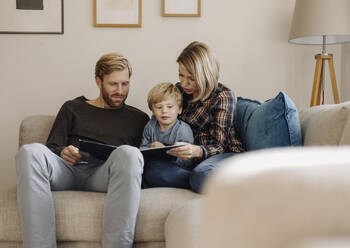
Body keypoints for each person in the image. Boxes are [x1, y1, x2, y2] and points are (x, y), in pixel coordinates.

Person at [15, 53, 150, 248]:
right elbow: (52, 146)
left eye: (125, 84)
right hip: (68, 170)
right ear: (98, 81)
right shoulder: (73, 108)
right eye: (113, 84)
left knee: (130, 153)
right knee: (29, 151)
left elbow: (137, 163)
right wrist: (63, 151)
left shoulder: (138, 119)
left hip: (104, 175)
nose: (120, 90)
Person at [157, 41, 244, 193]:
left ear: (205, 75)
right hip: (187, 158)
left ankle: (201, 179)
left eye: (191, 78)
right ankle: (195, 180)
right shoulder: (179, 91)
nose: (184, 82)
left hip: (222, 154)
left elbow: (220, 146)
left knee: (202, 174)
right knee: (151, 168)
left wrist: (197, 151)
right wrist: (160, 145)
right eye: (181, 75)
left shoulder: (222, 96)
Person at [140, 82, 194, 188]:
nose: (164, 111)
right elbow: (141, 149)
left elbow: (186, 161)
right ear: (152, 110)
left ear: (179, 109)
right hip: (152, 165)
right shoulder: (150, 126)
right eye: (159, 107)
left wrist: (166, 152)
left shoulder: (183, 129)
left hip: (175, 168)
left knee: (158, 171)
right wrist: (150, 147)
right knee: (143, 169)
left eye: (169, 107)